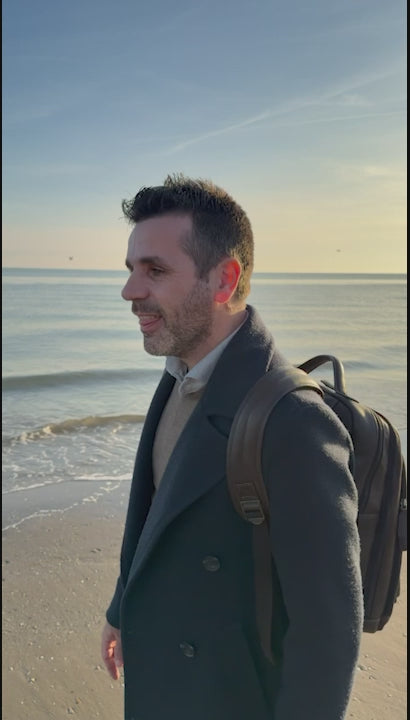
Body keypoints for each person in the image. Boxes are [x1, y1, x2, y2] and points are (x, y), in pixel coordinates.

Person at [101, 174, 363, 720]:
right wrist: (123, 609)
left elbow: (328, 632)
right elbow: (153, 515)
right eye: (130, 269)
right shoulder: (180, 372)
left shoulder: (294, 421)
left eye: (155, 270)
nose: (129, 291)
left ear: (224, 280)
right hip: (165, 679)